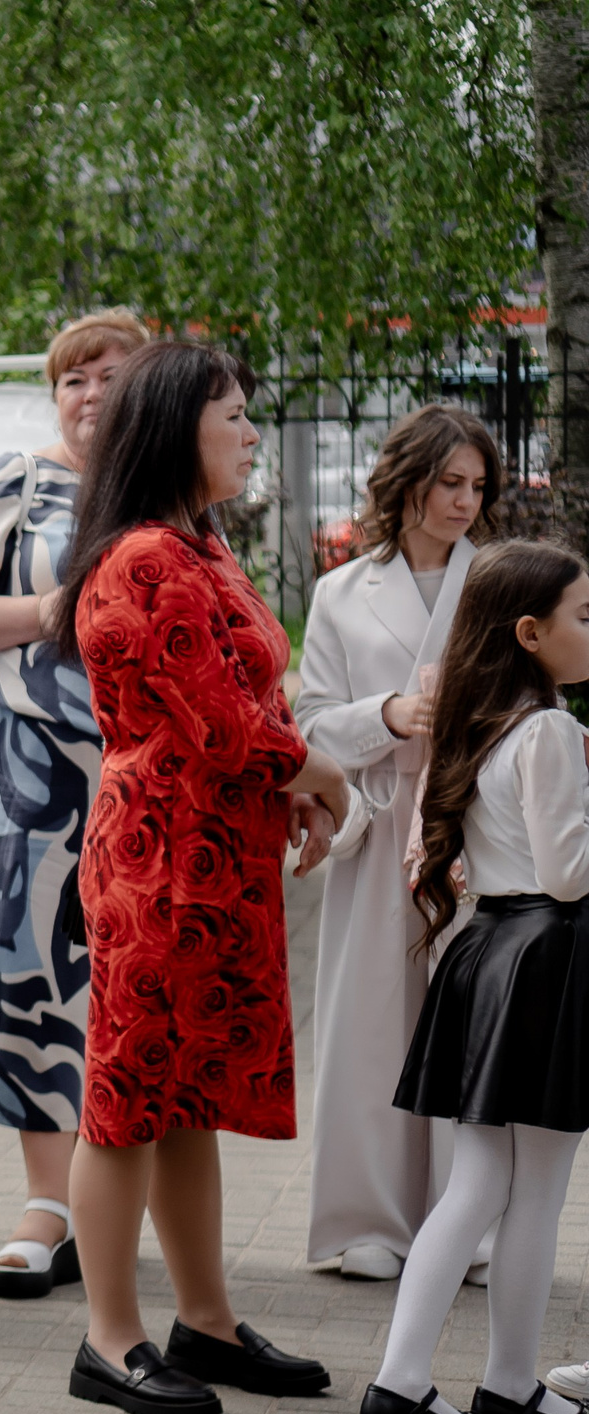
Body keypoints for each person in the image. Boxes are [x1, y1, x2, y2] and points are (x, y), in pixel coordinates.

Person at [51, 339, 351, 1414]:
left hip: (215, 857)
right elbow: (225, 725)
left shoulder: (200, 545)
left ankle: (206, 1320)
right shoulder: (143, 558)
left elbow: (249, 712)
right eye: (234, 416)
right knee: (127, 1101)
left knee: (185, 1102)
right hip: (160, 864)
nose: (250, 435)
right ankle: (110, 1337)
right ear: (180, 426)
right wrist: (323, 778)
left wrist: (296, 788)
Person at [359, 539, 589, 1414]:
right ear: (531, 634)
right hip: (550, 950)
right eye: (584, 615)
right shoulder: (552, 733)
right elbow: (570, 875)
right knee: (532, 1187)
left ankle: (441, 1381)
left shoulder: (487, 724)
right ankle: (465, 1384)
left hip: (490, 947)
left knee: (485, 1181)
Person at [0, 309, 149, 1300]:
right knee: (27, 973)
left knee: (128, 982)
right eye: (75, 377)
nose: (93, 392)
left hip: (146, 779)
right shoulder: (8, 485)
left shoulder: (169, 494)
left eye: (113, 375)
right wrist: (42, 612)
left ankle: (119, 1194)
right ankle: (45, 1203)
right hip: (25, 774)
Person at [295, 404, 503, 1282]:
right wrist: (387, 716)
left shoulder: (499, 581)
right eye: (449, 483)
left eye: (477, 487)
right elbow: (306, 726)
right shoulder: (340, 592)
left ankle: (473, 1224)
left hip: (477, 825)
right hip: (380, 827)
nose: (464, 502)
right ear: (407, 480)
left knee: (468, 1023)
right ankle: (367, 1221)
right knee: (372, 1024)